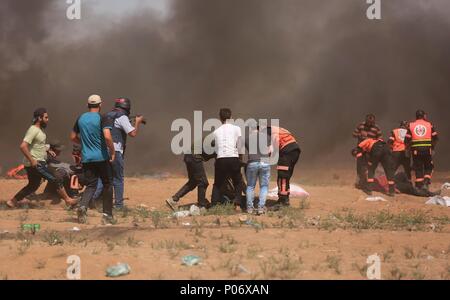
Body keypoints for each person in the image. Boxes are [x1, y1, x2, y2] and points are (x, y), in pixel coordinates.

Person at [6, 108, 77, 208]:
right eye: (46, 117)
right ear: (39, 118)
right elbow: (23, 146)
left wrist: (47, 150)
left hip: (35, 162)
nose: (48, 119)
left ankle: (12, 201)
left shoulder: (39, 131)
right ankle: (68, 199)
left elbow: (36, 146)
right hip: (36, 163)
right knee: (55, 177)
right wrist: (32, 160)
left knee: (33, 185)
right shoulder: (33, 130)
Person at [70, 94, 115, 225]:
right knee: (107, 184)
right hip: (101, 157)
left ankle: (83, 206)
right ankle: (107, 215)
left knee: (91, 185)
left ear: (88, 105)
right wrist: (112, 151)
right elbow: (107, 136)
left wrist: (84, 143)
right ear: (100, 105)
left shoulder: (81, 118)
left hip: (87, 157)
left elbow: (72, 136)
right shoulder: (102, 117)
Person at [96, 97, 144, 209]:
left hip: (103, 150)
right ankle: (119, 205)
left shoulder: (107, 115)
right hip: (115, 150)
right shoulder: (122, 117)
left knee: (102, 178)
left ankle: (90, 201)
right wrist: (137, 122)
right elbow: (132, 133)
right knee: (118, 178)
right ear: (127, 107)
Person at [210, 108, 245, 208]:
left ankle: (213, 205)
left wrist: (217, 162)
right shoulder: (236, 129)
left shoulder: (216, 132)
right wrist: (240, 160)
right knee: (237, 181)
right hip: (233, 158)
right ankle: (237, 204)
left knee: (217, 183)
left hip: (221, 159)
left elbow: (217, 149)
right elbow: (240, 146)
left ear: (220, 118)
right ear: (230, 117)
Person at [166, 140, 214, 211]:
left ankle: (173, 200)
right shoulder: (222, 141)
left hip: (188, 155)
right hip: (194, 157)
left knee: (193, 182)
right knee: (203, 182)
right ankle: (201, 206)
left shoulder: (218, 138)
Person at [405, 110, 438, 192]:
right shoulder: (429, 125)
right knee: (429, 166)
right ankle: (426, 182)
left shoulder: (411, 125)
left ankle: (419, 186)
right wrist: (432, 147)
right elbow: (435, 138)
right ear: (423, 116)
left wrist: (408, 149)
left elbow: (406, 139)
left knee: (418, 168)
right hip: (427, 150)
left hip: (416, 151)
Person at [270, 126, 301, 207]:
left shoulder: (273, 133)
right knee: (286, 177)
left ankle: (282, 201)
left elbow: (272, 150)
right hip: (295, 151)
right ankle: (285, 199)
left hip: (287, 152)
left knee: (282, 176)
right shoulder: (281, 130)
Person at [245, 125, 272, 215]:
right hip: (265, 162)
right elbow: (270, 151)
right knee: (264, 186)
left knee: (250, 186)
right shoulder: (267, 137)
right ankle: (260, 208)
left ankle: (249, 208)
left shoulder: (247, 139)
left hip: (252, 163)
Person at [352, 114, 382, 190]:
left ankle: (368, 182)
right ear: (366, 121)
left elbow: (380, 139)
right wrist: (360, 134)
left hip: (370, 150)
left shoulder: (376, 128)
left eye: (371, 122)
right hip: (360, 149)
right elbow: (354, 134)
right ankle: (360, 181)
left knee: (369, 166)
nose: (369, 124)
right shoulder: (361, 125)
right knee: (359, 164)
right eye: (368, 122)